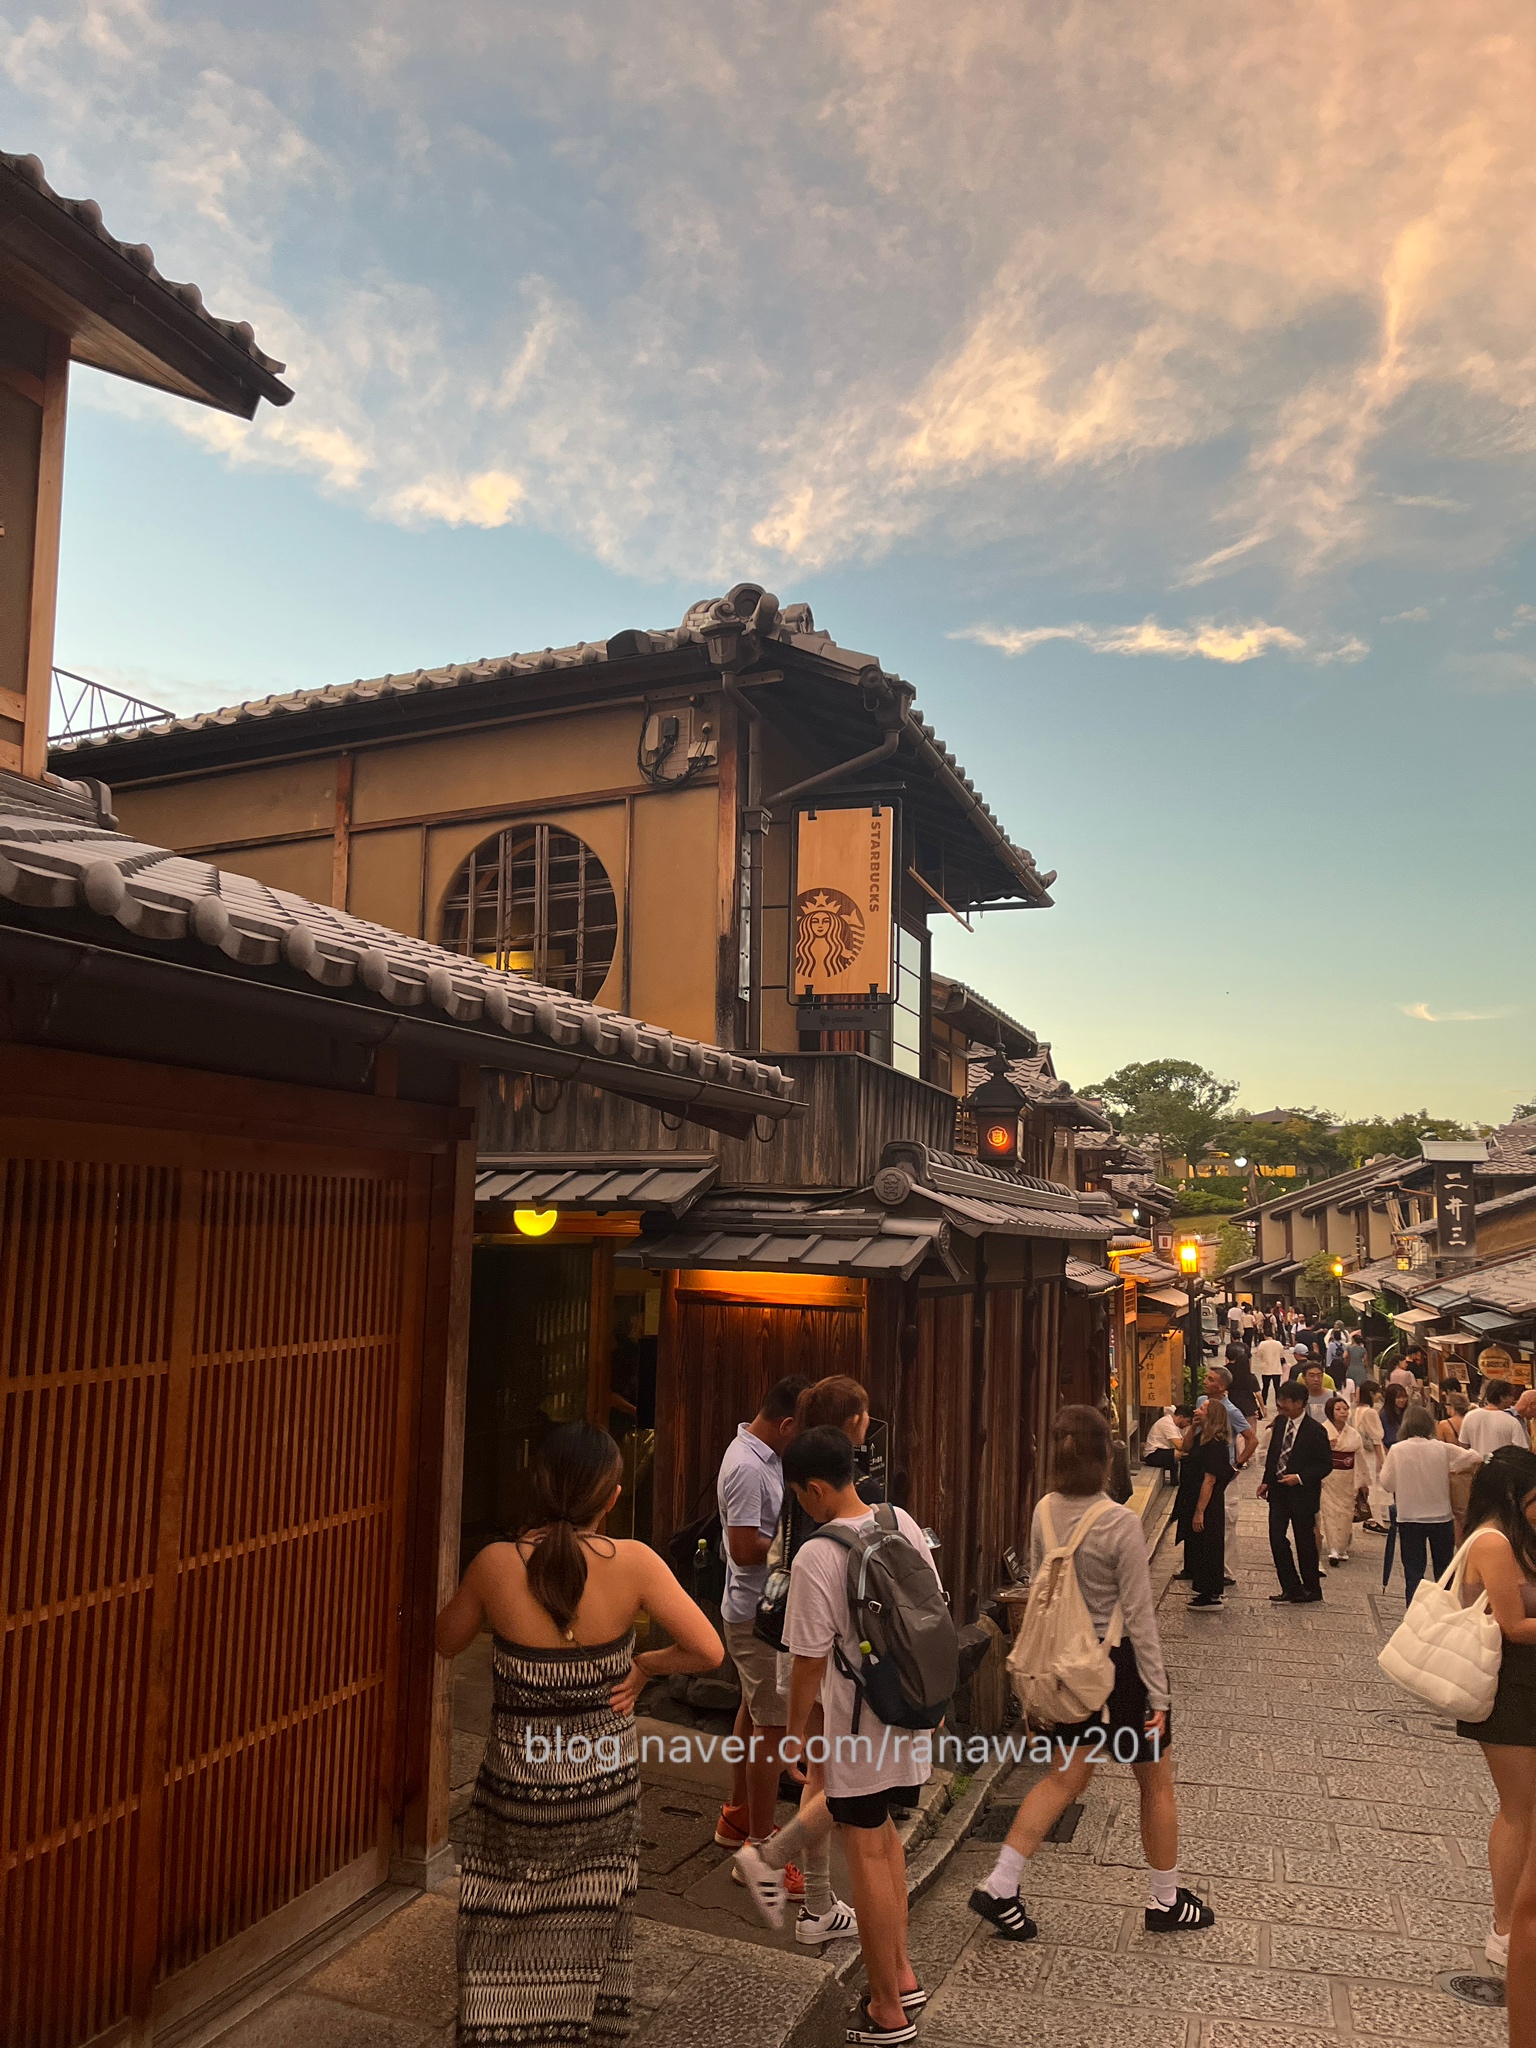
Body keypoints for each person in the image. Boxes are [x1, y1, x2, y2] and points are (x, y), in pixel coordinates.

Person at [437, 1423, 724, 2048]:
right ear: (613, 1496)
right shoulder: (636, 1563)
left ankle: (497, 2026)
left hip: (517, 1787)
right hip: (602, 1787)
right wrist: (644, 1666)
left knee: (500, 1911)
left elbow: (446, 1640)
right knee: (594, 1912)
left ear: (537, 1486)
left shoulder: (495, 1564)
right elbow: (707, 1650)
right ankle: (582, 2027)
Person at [970, 1404, 1213, 1943]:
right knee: (1154, 1780)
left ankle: (1001, 1883)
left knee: (1065, 1776)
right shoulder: (1119, 1522)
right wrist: (1159, 1696)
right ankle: (1166, 1899)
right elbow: (1140, 1616)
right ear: (1107, 1456)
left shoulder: (1043, 1512)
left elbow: (1041, 1590)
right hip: (1119, 1668)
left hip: (1064, 1665)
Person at [782, 1425, 938, 2046]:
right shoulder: (899, 1520)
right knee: (886, 1841)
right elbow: (933, 1612)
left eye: (800, 1493)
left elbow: (807, 1662)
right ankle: (901, 1974)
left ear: (816, 1488)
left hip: (858, 1725)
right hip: (908, 1710)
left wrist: (795, 1736)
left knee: (867, 1850)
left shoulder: (817, 1554)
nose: (801, 1505)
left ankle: (886, 2010)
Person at [737, 1375, 868, 1944]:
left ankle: (816, 1903)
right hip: (827, 1649)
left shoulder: (798, 1472)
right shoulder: (835, 1489)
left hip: (800, 1635)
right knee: (840, 1778)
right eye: (864, 1415)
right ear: (852, 1422)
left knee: (824, 1774)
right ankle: (775, 1862)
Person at [713, 1376, 808, 1856]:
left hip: (754, 1608)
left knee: (753, 1713)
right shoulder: (749, 1467)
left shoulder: (761, 1457)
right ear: (786, 1423)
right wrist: (797, 1549)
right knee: (770, 1728)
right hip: (757, 1613)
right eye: (801, 1432)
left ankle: (738, 1815)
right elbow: (744, 1548)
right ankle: (762, 1844)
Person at [1454, 1450, 1536, 1975]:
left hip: (1527, 1685)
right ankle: (1505, 1930)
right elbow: (1514, 1625)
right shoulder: (1492, 1541)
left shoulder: (1516, 1537)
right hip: (1509, 1690)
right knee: (1518, 1810)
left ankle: (1521, 1923)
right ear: (1512, 1495)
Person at [1379, 1406, 1485, 1604]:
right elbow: (1475, 1457)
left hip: (1409, 1517)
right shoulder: (1441, 1448)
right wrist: (1452, 1468)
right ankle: (1444, 1609)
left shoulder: (1397, 1450)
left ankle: (1414, 1612)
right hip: (1441, 1517)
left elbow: (1386, 1484)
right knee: (1444, 1572)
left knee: (1413, 1573)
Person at [1258, 1382, 1332, 1603]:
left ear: (1299, 1403)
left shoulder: (1315, 1430)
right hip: (1278, 1491)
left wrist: (1299, 1477)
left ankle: (1311, 1589)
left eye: (1285, 1401)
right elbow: (1274, 1454)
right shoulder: (1281, 1423)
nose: (1280, 1405)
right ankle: (1291, 1586)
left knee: (1304, 1542)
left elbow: (1325, 1464)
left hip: (1302, 1494)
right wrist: (1267, 1481)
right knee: (1277, 1538)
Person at [1187, 1401, 1233, 1608]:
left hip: (1209, 1502)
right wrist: (1192, 1427)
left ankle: (1211, 1592)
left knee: (1209, 1544)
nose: (1198, 1410)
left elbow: (1210, 1479)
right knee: (1200, 1544)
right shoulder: (1202, 1437)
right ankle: (1204, 1590)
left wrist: (1200, 1511)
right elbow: (1185, 1447)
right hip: (1198, 1495)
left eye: (1203, 1409)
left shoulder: (1215, 1444)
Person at [1319, 1395, 1363, 1567]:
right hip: (1329, 1477)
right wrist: (1325, 1446)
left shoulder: (1353, 1434)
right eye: (1338, 1409)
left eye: (1345, 1409)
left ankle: (1342, 1546)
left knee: (1346, 1513)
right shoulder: (1323, 1430)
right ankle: (1333, 1549)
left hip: (1348, 1477)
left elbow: (1360, 1458)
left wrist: (1362, 1481)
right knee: (1330, 1512)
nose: (1343, 1412)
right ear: (1330, 1412)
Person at [1463, 1379, 1533, 1458]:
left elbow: (1464, 1445)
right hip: (1503, 1465)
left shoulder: (1470, 1416)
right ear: (1502, 1398)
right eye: (1510, 1396)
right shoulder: (1512, 1421)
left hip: (1478, 1464)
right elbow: (1521, 1451)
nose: (1513, 1399)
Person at [1353, 1382, 1389, 1532]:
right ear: (1372, 1394)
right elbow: (1376, 1437)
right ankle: (1374, 1520)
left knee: (1366, 1485)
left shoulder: (1357, 1410)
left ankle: (1368, 1517)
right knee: (1374, 1486)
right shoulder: (1371, 1412)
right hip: (1372, 1453)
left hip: (1361, 1452)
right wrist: (1382, 1459)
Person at [1143, 1404, 1192, 1482]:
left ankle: (1177, 1480)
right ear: (1180, 1417)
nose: (1187, 1425)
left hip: (1163, 1452)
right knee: (1180, 1453)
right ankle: (1184, 1480)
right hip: (1152, 1455)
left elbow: (1182, 1441)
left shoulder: (1173, 1424)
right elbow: (1180, 1446)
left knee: (1181, 1453)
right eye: (1187, 1421)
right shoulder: (1167, 1423)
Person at [1253, 1328, 1287, 1409]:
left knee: (1265, 1387)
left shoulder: (1262, 1344)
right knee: (1277, 1387)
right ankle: (1278, 1403)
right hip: (1277, 1368)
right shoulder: (1278, 1344)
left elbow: (1258, 1355)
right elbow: (1282, 1355)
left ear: (1265, 1335)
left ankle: (1264, 1403)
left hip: (1266, 1368)